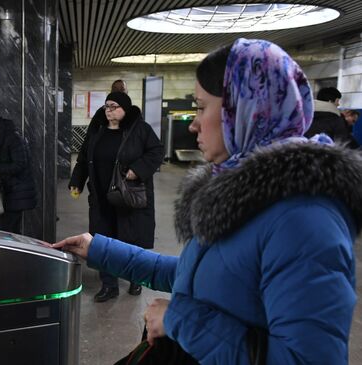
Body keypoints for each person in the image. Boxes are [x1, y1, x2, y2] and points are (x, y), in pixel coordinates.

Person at [53, 38, 360, 364]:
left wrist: (181, 321)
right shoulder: (241, 196)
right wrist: (100, 249)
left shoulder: (305, 223)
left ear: (245, 110)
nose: (194, 123)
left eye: (201, 107)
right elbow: (198, 274)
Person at [69, 91, 164, 302]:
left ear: (125, 109)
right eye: (106, 106)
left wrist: (138, 169)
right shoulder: (97, 130)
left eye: (114, 106)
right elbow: (84, 157)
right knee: (103, 241)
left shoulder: (140, 129)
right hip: (102, 197)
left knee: (130, 240)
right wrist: (77, 180)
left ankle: (135, 278)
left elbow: (157, 151)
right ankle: (109, 285)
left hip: (128, 196)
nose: (109, 110)